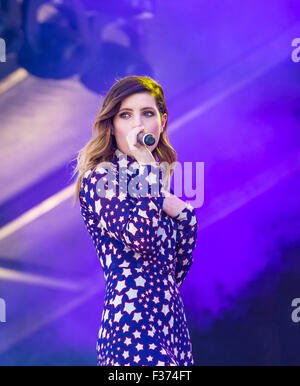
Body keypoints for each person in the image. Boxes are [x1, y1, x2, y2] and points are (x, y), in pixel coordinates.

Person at [72, 75, 198, 366]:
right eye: (126, 115)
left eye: (148, 114)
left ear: (162, 123)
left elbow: (174, 272)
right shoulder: (100, 179)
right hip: (133, 329)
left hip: (172, 331)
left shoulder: (154, 190)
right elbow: (140, 238)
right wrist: (148, 168)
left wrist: (184, 213)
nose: (137, 124)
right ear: (112, 125)